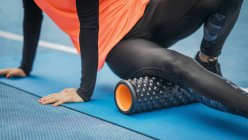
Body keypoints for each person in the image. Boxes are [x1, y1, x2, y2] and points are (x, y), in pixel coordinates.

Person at [0, 0, 247, 117]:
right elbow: (32, 15)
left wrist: (84, 90)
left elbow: (88, 22)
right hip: (119, 45)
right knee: (175, 64)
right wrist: (25, 66)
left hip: (148, 11)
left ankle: (208, 59)